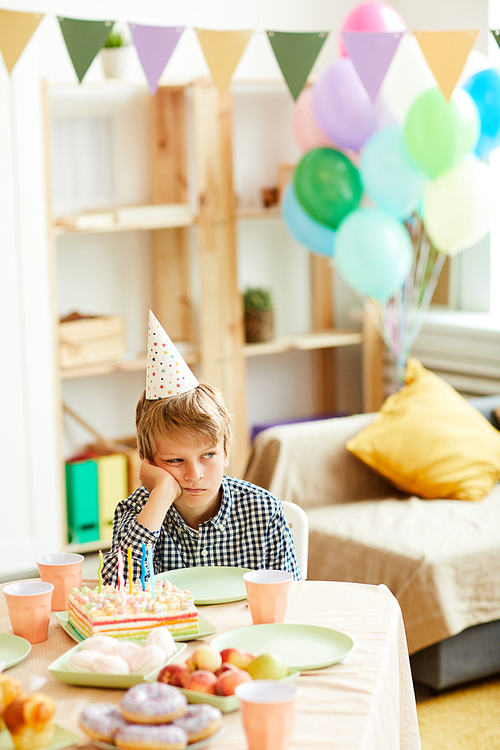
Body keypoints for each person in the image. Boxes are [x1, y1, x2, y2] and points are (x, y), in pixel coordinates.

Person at [102, 311, 300, 586]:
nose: (195, 474)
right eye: (174, 461)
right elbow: (118, 591)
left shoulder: (263, 511)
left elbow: (292, 598)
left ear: (226, 451)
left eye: (208, 455)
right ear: (149, 462)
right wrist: (162, 494)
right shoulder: (137, 512)